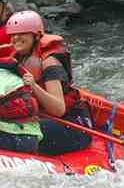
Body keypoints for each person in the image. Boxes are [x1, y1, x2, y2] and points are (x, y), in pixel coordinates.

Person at [6, 10, 92, 155]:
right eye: (13, 34)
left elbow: (58, 109)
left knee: (22, 134)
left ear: (36, 36)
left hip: (73, 125)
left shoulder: (49, 63)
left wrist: (33, 86)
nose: (16, 38)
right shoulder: (18, 60)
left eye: (23, 33)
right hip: (45, 119)